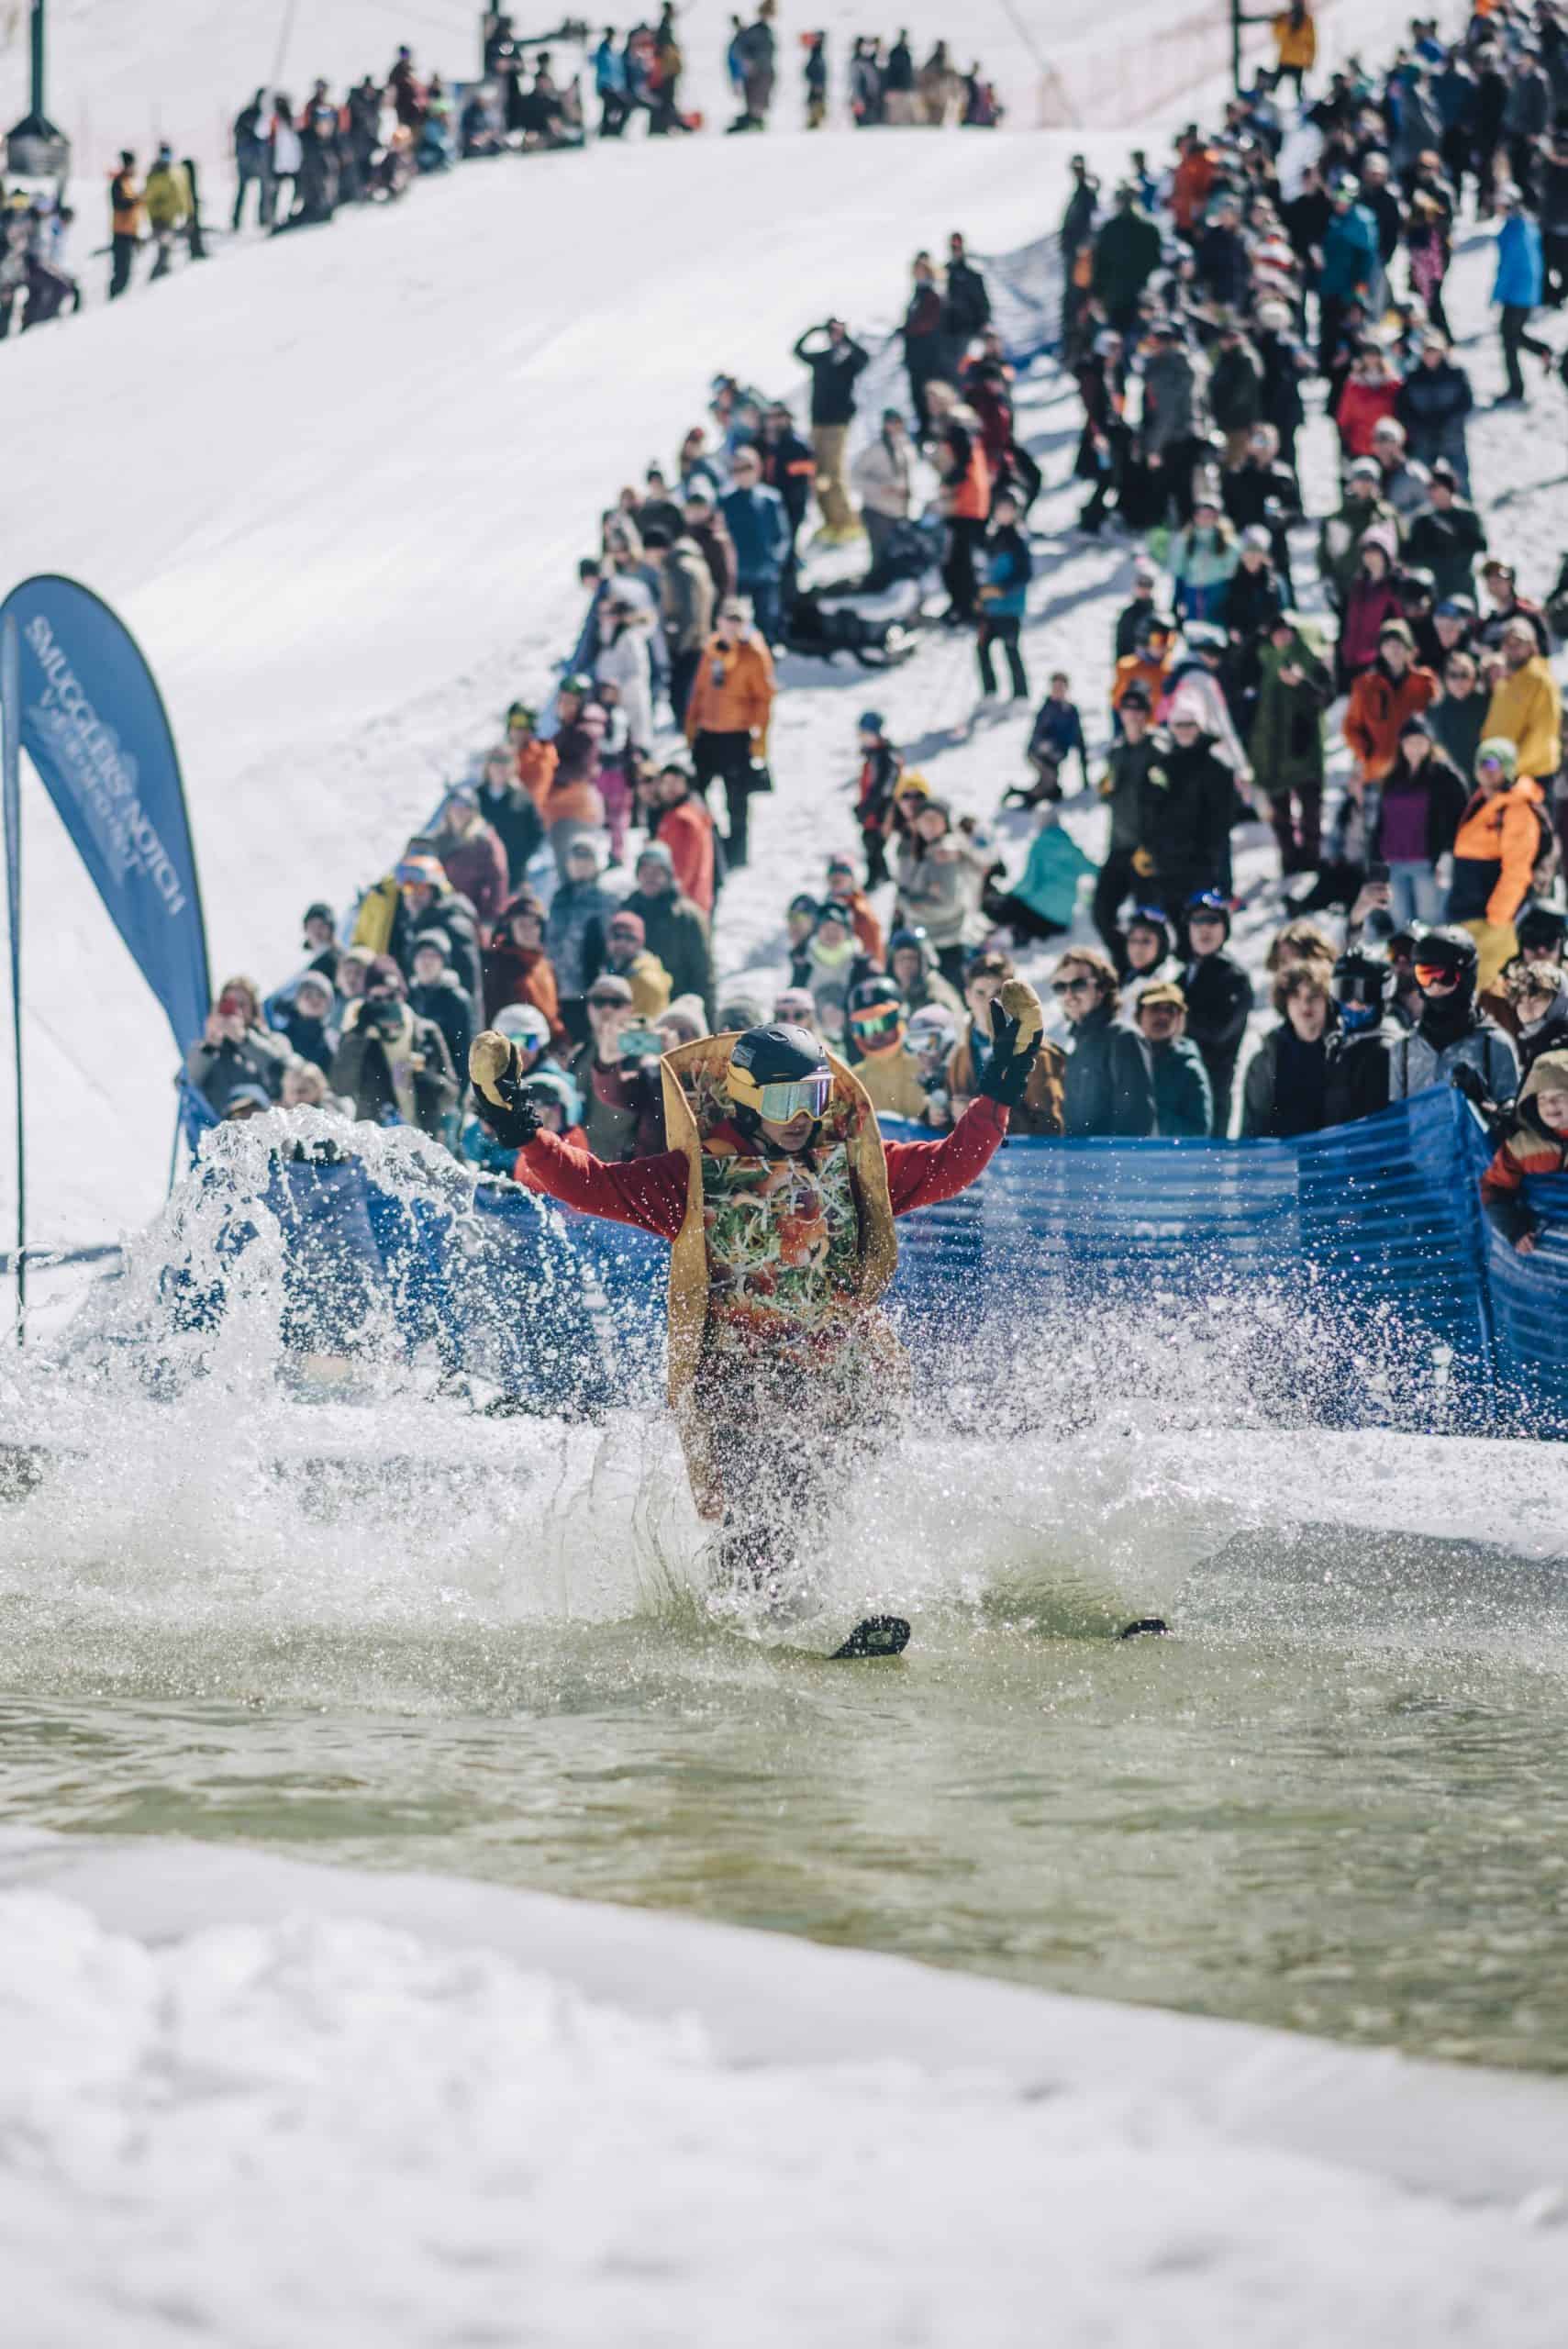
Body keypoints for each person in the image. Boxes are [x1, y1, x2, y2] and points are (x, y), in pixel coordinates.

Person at [471, 1003, 1042, 1623]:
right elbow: (591, 1183)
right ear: (744, 1098)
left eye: (812, 1097)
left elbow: (951, 1166)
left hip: (838, 1383)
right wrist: (519, 1125)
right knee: (760, 1513)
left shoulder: (851, 1165)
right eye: (780, 1101)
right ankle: (745, 1620)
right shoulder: (695, 1177)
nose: (798, 1117)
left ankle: (806, 1613)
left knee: (814, 1503)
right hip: (740, 1388)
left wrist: (1002, 1082)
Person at [1447, 737, 1551, 985]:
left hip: (1491, 920)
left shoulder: (1516, 809)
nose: (1485, 769)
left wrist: (1498, 917)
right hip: (1468, 913)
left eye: (1493, 763)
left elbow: (1517, 868)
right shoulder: (1483, 800)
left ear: (1507, 767)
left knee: (1490, 989)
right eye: (1481, 762)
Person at [1388, 925, 1518, 1105]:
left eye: (1445, 976)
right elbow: (1395, 1119)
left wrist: (1484, 1106)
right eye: (1425, 976)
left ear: (1466, 975)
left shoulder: (1493, 1044)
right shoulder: (1403, 1049)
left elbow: (1514, 1120)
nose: (1435, 985)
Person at [329, 957, 459, 1139]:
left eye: (391, 997)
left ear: (403, 995)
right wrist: (358, 1034)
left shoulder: (426, 1031)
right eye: (377, 998)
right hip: (379, 1144)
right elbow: (341, 1087)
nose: (385, 1004)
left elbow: (451, 1095)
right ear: (367, 1001)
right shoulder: (358, 1037)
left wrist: (426, 1078)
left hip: (425, 1139)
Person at [943, 951, 1064, 1134]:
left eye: (998, 993)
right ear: (967, 997)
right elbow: (948, 1128)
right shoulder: (959, 1054)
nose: (989, 1002)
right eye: (980, 993)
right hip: (974, 1161)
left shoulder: (1037, 1054)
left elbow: (1051, 1129)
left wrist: (982, 1116)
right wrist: (938, 1113)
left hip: (1019, 1161)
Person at [1365, 712, 1467, 930]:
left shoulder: (1443, 775)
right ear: (1401, 745)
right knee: (1401, 924)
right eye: (1410, 742)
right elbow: (1380, 822)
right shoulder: (1392, 777)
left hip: (1427, 862)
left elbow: (1458, 817)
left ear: (1430, 744)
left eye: (1420, 742)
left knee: (1431, 921)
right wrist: (1375, 862)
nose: (1415, 747)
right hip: (1393, 861)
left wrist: (1447, 854)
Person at [1250, 615, 1331, 876]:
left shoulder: (1310, 657)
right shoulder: (1263, 660)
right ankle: (1289, 858)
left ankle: (1312, 857)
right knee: (1279, 810)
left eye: (1286, 632)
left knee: (1311, 807)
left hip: (1305, 746)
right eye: (1276, 633)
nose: (1282, 637)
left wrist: (1302, 682)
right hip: (1272, 748)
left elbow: (1325, 695)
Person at [562, 974, 665, 1160]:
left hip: (626, 1165)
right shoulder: (579, 1052)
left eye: (616, 1002)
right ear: (589, 1007)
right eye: (599, 1001)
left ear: (630, 1009)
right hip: (582, 1160)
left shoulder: (644, 1053)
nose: (607, 1009)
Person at [1053, 949, 1152, 1136]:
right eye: (1060, 987)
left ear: (1101, 989)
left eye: (1078, 985)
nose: (1069, 995)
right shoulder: (1076, 1044)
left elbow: (1135, 1121)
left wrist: (1110, 1163)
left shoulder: (1123, 1038)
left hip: (1110, 1162)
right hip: (1077, 1162)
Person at [1480, 1051, 1568, 1255]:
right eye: (1542, 1098)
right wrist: (1514, 1229)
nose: (1549, 1104)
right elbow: (1493, 1188)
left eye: (1560, 1095)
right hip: (1544, 1256)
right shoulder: (1522, 1147)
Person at [1180, 891, 1252, 1136]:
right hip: (1177, 1089)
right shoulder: (1182, 975)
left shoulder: (1234, 977)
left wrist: (1172, 1019)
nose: (1204, 929)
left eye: (1212, 921)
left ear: (1225, 928)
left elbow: (1218, 1031)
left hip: (1213, 1090)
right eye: (1197, 921)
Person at [792, 316, 870, 542]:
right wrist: (814, 329)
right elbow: (798, 352)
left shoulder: (848, 359)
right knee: (819, 473)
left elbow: (864, 359)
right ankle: (830, 520)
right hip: (818, 421)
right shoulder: (823, 358)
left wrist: (845, 338)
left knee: (834, 473)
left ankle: (847, 520)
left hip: (837, 423)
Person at [622, 841, 715, 1023]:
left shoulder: (687, 916)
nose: (651, 878)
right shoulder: (627, 910)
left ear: (669, 875)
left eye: (658, 872)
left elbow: (702, 973)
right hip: (636, 1009)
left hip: (677, 1011)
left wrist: (707, 1019)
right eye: (645, 872)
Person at [1240, 965, 1334, 1138]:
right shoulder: (1265, 1060)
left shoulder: (1343, 1052)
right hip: (1280, 1160)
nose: (1305, 1004)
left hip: (1335, 1159)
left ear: (1327, 1000)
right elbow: (1250, 1131)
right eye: (1296, 996)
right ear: (1285, 1001)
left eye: (1313, 996)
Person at [985, 805, 1095, 945]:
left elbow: (1029, 883)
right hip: (1061, 921)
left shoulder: (1039, 846)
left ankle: (1017, 932)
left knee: (995, 904)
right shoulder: (1071, 847)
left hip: (1038, 913)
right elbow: (1093, 870)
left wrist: (1010, 895)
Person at [718, 445, 790, 645]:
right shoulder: (726, 502)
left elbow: (782, 535)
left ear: (758, 468)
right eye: (737, 469)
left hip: (765, 573)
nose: (743, 474)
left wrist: (775, 561)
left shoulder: (770, 500)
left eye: (747, 468)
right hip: (738, 574)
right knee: (735, 622)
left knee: (766, 622)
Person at [1323, 949, 1400, 1126]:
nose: (1354, 1003)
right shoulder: (1337, 1046)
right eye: (1345, 991)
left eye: (1365, 993)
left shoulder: (1384, 1053)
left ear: (1382, 997)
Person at [1494, 185, 1551, 405]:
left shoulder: (1514, 230)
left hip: (1516, 294)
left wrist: (1497, 294)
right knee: (1514, 335)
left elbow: (1508, 267)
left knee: (1509, 340)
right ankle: (1544, 351)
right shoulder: (1527, 225)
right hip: (1526, 293)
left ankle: (1516, 388)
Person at [1132, 983, 1213, 1136]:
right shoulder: (1124, 1060)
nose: (1163, 1016)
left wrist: (1147, 1115)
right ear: (1138, 1015)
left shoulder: (1189, 1069)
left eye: (1171, 1010)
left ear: (1180, 1019)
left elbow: (1199, 1132)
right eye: (1155, 1008)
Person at [842, 977, 929, 1118]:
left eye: (883, 1022)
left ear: (901, 1017)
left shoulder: (927, 1064)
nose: (876, 1033)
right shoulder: (853, 1081)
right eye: (866, 1027)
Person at [975, 488, 1031, 702]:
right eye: (1001, 509)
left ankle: (1020, 694)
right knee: (982, 649)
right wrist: (981, 596)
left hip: (1010, 607)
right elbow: (984, 570)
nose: (1005, 514)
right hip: (991, 607)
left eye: (1009, 509)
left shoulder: (1018, 540)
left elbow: (1024, 573)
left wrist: (1002, 590)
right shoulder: (992, 538)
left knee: (1010, 649)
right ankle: (990, 691)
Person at [647, 759, 717, 916]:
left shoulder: (684, 818)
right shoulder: (681, 812)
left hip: (682, 902)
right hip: (693, 900)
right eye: (666, 782)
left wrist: (673, 894)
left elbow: (685, 865)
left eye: (676, 782)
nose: (670, 788)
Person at [407, 930, 475, 1087]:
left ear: (443, 962)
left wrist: (461, 1087)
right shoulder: (407, 995)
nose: (427, 962)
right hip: (411, 1081)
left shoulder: (457, 999)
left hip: (446, 1083)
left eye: (433, 956)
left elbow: (465, 1049)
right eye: (422, 956)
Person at [589, 907, 672, 1018]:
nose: (622, 942)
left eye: (630, 938)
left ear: (640, 943)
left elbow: (643, 1028)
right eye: (616, 936)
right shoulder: (610, 968)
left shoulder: (647, 980)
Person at [1505, 961, 1568, 1077]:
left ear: (1559, 1000)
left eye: (1537, 999)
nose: (1528, 1007)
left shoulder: (1563, 1044)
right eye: (1521, 1001)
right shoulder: (1520, 1045)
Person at [277, 969, 339, 1074]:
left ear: (329, 1005)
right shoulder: (281, 1037)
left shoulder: (333, 1039)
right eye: (308, 994)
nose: (315, 999)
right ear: (296, 1001)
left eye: (321, 995)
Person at [108, 151, 142, 300]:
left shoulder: (127, 183)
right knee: (121, 273)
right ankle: (113, 303)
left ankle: (118, 301)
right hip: (121, 234)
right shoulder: (119, 183)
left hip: (128, 233)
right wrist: (136, 200)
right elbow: (120, 204)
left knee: (126, 272)